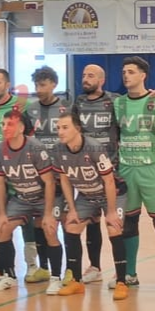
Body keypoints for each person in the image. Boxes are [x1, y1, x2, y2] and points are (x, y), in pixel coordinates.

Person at [113, 56, 155, 292]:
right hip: (126, 170)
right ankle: (130, 274)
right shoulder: (118, 104)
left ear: (143, 75)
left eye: (131, 72)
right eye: (124, 72)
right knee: (129, 224)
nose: (126, 75)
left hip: (152, 171)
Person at [53, 112, 127, 299]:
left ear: (77, 128)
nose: (60, 132)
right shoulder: (59, 150)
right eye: (58, 128)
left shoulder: (94, 147)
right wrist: (72, 209)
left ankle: (121, 282)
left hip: (112, 193)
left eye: (65, 127)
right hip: (87, 195)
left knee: (113, 228)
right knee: (71, 226)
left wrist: (111, 212)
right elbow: (64, 180)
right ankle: (76, 281)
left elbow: (109, 181)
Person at [0, 110, 63, 294]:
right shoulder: (0, 149)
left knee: (49, 229)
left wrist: (48, 214)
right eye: (3, 124)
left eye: (10, 124)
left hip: (44, 197)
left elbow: (49, 182)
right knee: (1, 228)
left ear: (21, 128)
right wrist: (0, 213)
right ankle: (9, 276)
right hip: (22, 198)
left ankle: (56, 278)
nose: (5, 128)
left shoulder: (35, 148)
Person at [0, 68, 40, 282]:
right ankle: (2, 268)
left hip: (17, 172)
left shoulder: (23, 105)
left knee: (26, 219)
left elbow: (30, 136)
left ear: (7, 85)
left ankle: (32, 265)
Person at [74, 64, 125, 284]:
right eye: (84, 75)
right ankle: (94, 267)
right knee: (91, 220)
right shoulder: (78, 102)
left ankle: (121, 272)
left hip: (111, 172)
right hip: (88, 175)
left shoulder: (114, 101)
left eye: (91, 75)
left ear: (101, 80)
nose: (85, 78)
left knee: (114, 223)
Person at [27, 66, 73, 284]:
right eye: (36, 85)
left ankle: (71, 269)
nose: (39, 89)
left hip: (61, 174)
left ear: (54, 84)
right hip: (39, 176)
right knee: (39, 221)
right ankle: (43, 267)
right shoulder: (31, 109)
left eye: (43, 85)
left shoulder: (67, 107)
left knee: (64, 222)